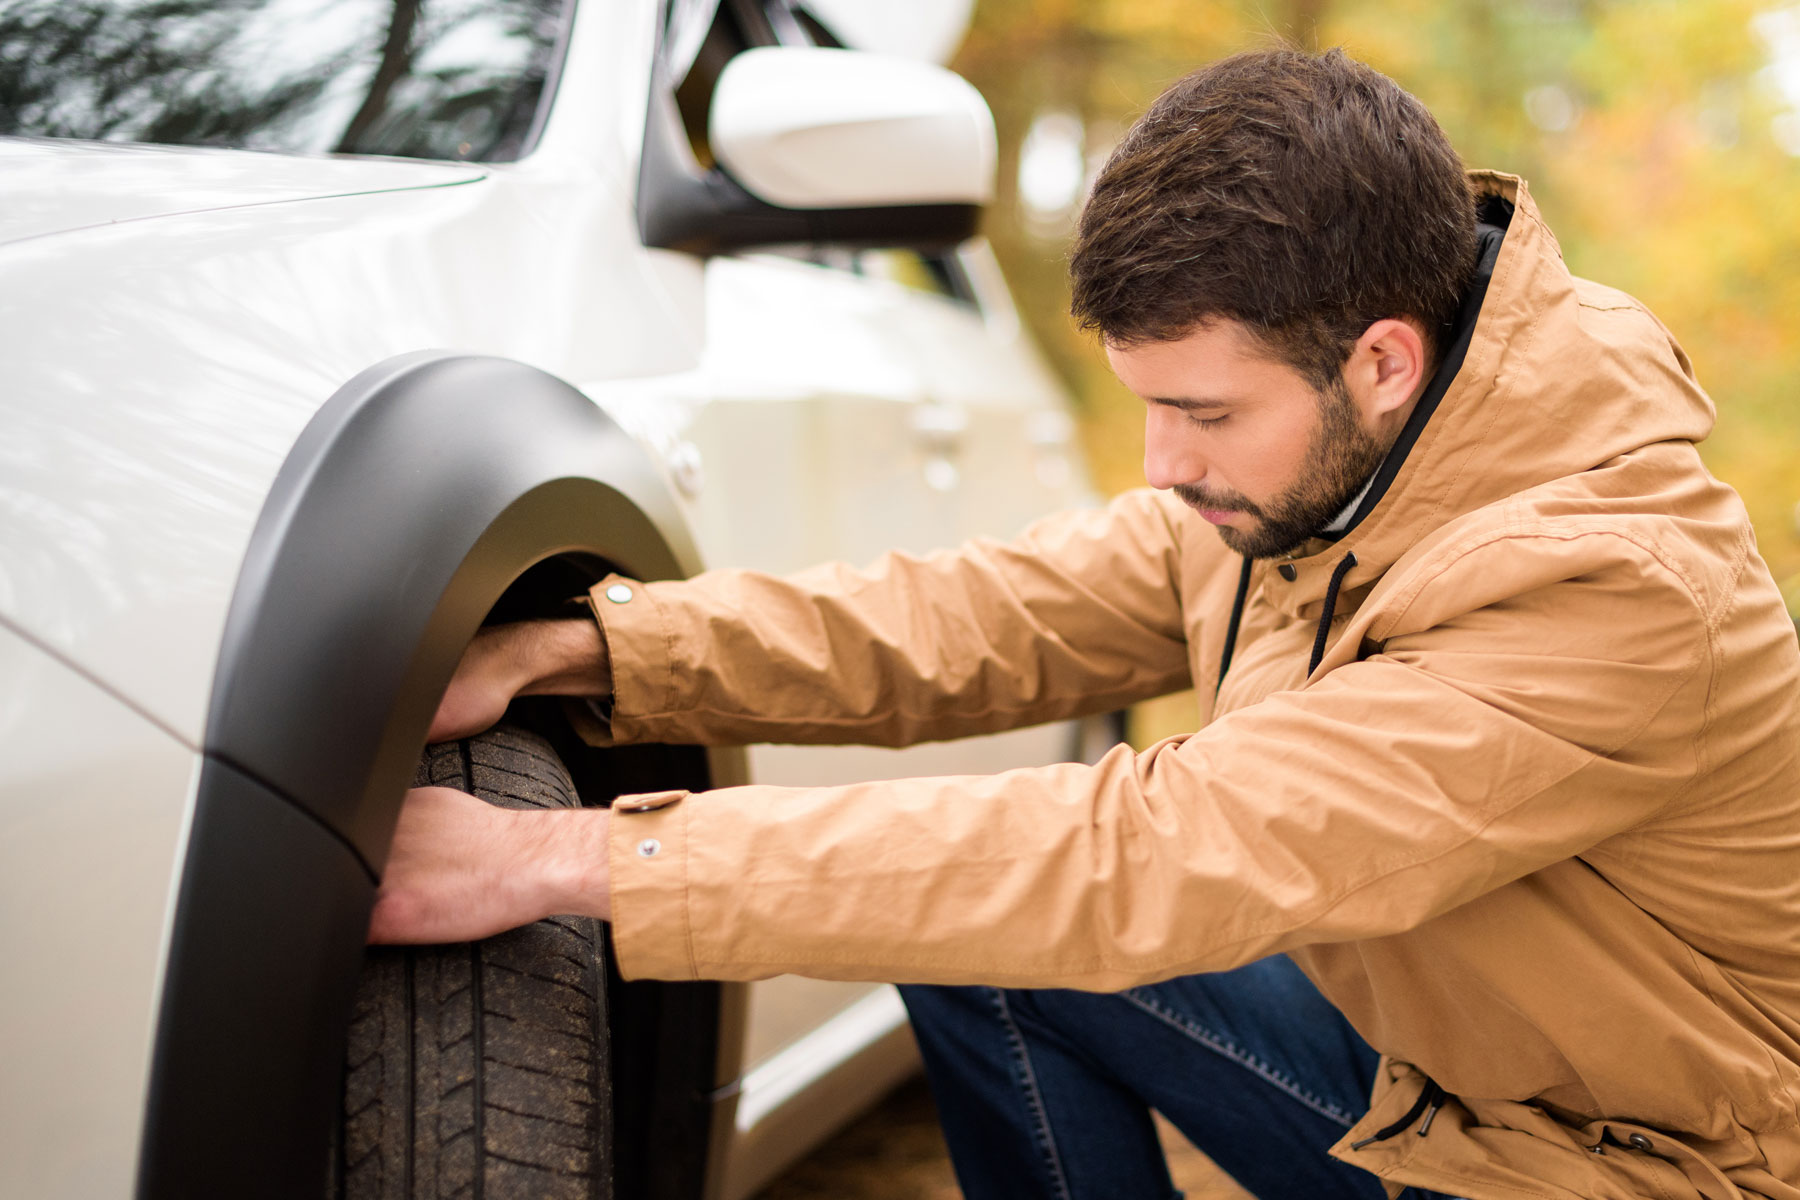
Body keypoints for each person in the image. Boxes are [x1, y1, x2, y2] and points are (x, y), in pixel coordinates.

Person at [369, 47, 1800, 1200]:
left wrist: (554, 856)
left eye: (1202, 410)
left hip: (1630, 1164)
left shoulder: (1610, 589)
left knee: (1044, 888)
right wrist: (599, 648)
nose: (1160, 464)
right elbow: (977, 619)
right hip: (1440, 1084)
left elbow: (1159, 852)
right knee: (975, 929)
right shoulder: (1327, 483)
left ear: (1379, 361)